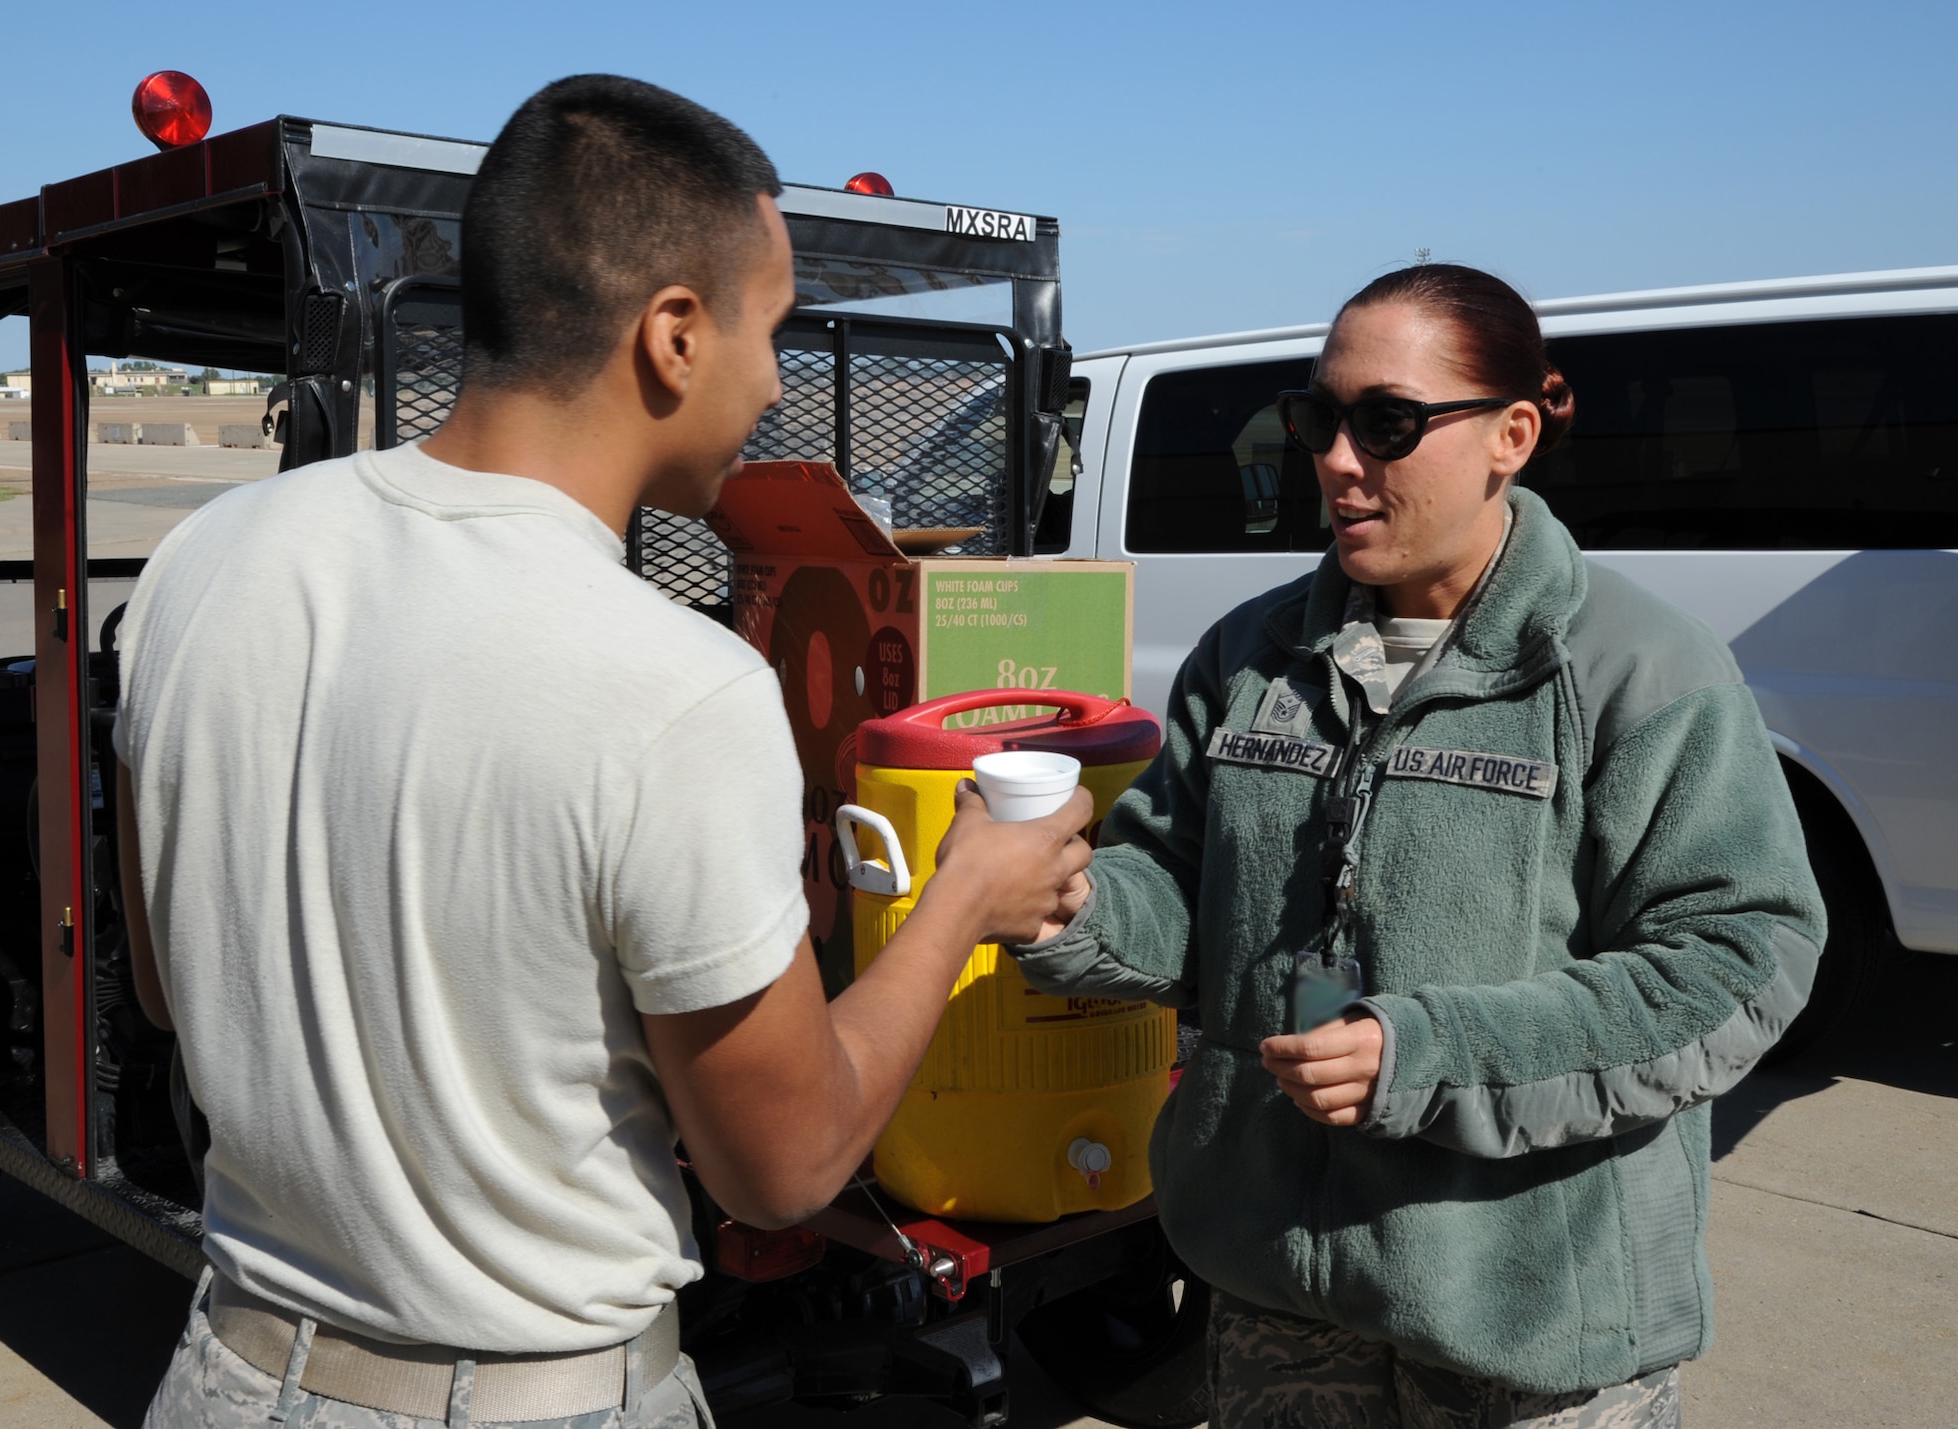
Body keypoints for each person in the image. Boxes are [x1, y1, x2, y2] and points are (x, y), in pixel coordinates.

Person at [115, 75, 1091, 1429]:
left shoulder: (203, 560)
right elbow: (785, 1165)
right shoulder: (677, 686)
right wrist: (962, 902)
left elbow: (170, 989)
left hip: (225, 1371)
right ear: (676, 335)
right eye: (775, 329)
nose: (774, 378)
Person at [1011, 264, 1826, 1429]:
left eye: (1386, 423)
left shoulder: (1637, 671)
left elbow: (1734, 964)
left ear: (1510, 435)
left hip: (1530, 1329)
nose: (1337, 460)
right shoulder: (1247, 658)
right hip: (1274, 1293)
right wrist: (1073, 909)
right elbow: (1176, 891)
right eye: (1316, 419)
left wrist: (1428, 1052)